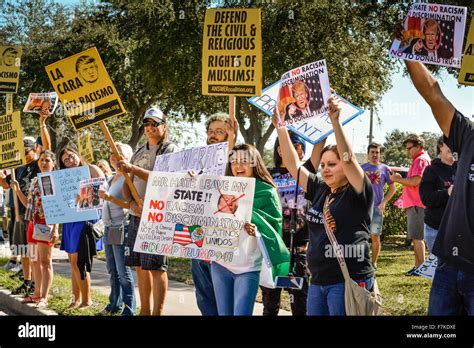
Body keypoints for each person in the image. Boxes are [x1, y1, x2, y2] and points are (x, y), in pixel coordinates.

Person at [274, 96, 375, 316]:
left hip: (347, 281)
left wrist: (335, 122)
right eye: (322, 165)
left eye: (332, 164)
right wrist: (281, 126)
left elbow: (348, 159)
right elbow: (293, 165)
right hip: (318, 282)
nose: (325, 169)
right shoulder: (321, 188)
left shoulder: (359, 191)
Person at [211, 144, 289, 316]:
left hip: (248, 266)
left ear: (255, 164)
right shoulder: (220, 186)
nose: (238, 166)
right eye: (234, 161)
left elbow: (274, 229)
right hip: (220, 263)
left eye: (244, 161)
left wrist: (258, 231)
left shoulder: (267, 192)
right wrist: (195, 181)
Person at [117, 107, 179, 316]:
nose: (150, 127)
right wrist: (130, 202)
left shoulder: (170, 149)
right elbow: (127, 181)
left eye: (154, 123)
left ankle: (156, 313)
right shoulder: (138, 152)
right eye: (146, 123)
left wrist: (132, 169)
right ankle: (144, 311)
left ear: (164, 126)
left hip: (157, 217)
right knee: (140, 267)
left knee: (156, 267)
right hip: (136, 216)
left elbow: (163, 180)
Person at [191, 113, 238, 316]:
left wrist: (232, 139)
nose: (213, 135)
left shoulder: (235, 162)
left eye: (219, 132)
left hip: (222, 239)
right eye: (210, 131)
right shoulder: (198, 162)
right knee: (204, 295)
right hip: (198, 237)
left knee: (224, 297)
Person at [260, 132, 312, 316]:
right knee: (270, 304)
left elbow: (321, 146)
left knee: (300, 304)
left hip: (300, 250)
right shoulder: (266, 174)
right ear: (279, 149)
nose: (294, 149)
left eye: (299, 146)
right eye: (288, 145)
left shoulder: (306, 173)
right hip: (274, 249)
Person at [0, 112, 51, 294]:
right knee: (23, 249)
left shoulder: (39, 164)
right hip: (18, 212)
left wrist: (42, 123)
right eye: (22, 152)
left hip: (34, 215)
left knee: (34, 253)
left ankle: (37, 285)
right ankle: (27, 280)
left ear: (34, 151)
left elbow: (47, 147)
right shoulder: (18, 166)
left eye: (27, 152)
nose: (24, 155)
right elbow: (5, 184)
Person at [12, 150, 59, 308]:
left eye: (47, 160)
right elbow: (28, 205)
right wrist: (17, 190)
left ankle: (44, 297)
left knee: (45, 262)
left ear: (53, 163)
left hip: (47, 224)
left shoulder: (55, 181)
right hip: (32, 224)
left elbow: (58, 207)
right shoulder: (34, 181)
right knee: (34, 260)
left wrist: (56, 228)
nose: (44, 163)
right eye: (42, 160)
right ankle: (36, 293)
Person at [59, 147, 104, 308]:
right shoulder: (63, 177)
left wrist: (87, 163)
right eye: (66, 160)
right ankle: (76, 299)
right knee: (72, 261)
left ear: (78, 155)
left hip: (84, 220)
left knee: (81, 261)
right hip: (69, 220)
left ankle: (87, 300)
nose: (70, 161)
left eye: (72, 156)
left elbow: (101, 180)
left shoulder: (88, 169)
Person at [98, 142, 136, 316]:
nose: (113, 156)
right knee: (112, 269)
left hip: (122, 227)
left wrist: (110, 198)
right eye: (112, 153)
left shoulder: (128, 177)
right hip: (108, 227)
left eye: (118, 153)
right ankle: (114, 304)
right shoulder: (111, 177)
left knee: (123, 271)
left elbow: (131, 205)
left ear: (128, 157)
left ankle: (129, 309)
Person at [391, 134, 431, 276]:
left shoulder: (420, 160)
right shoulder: (420, 159)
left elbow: (415, 181)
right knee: (417, 237)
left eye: (410, 148)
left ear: (419, 146)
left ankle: (420, 268)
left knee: (417, 237)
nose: (408, 151)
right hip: (417, 203)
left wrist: (397, 180)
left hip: (417, 203)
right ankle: (419, 266)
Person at [361, 143, 396, 269]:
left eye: (377, 152)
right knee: (360, 236)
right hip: (362, 208)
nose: (375, 155)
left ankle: (373, 262)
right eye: (372, 152)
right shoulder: (361, 168)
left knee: (375, 236)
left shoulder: (385, 168)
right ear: (368, 153)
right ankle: (361, 261)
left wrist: (383, 202)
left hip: (377, 208)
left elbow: (393, 189)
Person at [419, 137, 456, 254]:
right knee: (439, 269)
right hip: (436, 229)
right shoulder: (431, 170)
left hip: (460, 229)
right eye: (449, 144)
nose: (453, 147)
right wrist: (447, 193)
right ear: (440, 146)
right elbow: (426, 198)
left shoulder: (464, 169)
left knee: (458, 270)